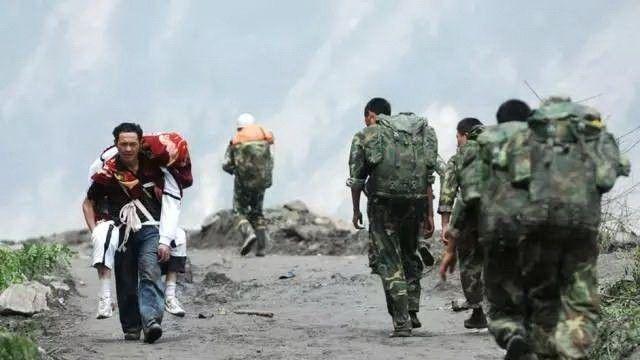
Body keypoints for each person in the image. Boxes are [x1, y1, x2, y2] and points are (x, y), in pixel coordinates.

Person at [442, 97, 630, 359]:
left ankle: (513, 334)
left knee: (502, 307)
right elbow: (613, 172)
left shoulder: (489, 146)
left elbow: (469, 197)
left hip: (507, 233)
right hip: (568, 232)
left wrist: (452, 237)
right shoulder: (560, 145)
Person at [82, 123, 190, 343]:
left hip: (151, 228)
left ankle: (151, 322)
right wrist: (97, 234)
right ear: (116, 144)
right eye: (124, 144)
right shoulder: (107, 173)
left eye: (133, 144)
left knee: (150, 269)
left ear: (141, 144)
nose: (128, 148)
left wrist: (166, 240)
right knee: (126, 278)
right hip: (121, 230)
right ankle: (131, 327)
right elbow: (88, 203)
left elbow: (172, 203)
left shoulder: (156, 170)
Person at [347, 98, 437, 337]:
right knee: (410, 255)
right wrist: (429, 214)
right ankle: (413, 309)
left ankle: (401, 320)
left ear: (371, 115)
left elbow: (356, 180)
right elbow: (428, 177)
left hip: (382, 207)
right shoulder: (414, 136)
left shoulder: (366, 135)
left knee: (389, 262)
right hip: (415, 204)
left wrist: (356, 210)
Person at [438, 117, 488, 329]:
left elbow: (448, 193)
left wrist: (446, 225)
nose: (457, 142)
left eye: (457, 137)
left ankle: (478, 313)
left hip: (470, 219)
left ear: (465, 135)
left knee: (469, 265)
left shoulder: (459, 158)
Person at [222, 113, 274, 257]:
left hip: (242, 183)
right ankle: (262, 248)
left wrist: (235, 171)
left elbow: (226, 164)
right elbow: (270, 160)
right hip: (261, 181)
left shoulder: (236, 140)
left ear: (239, 128)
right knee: (257, 212)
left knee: (239, 211)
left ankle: (249, 234)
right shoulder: (264, 139)